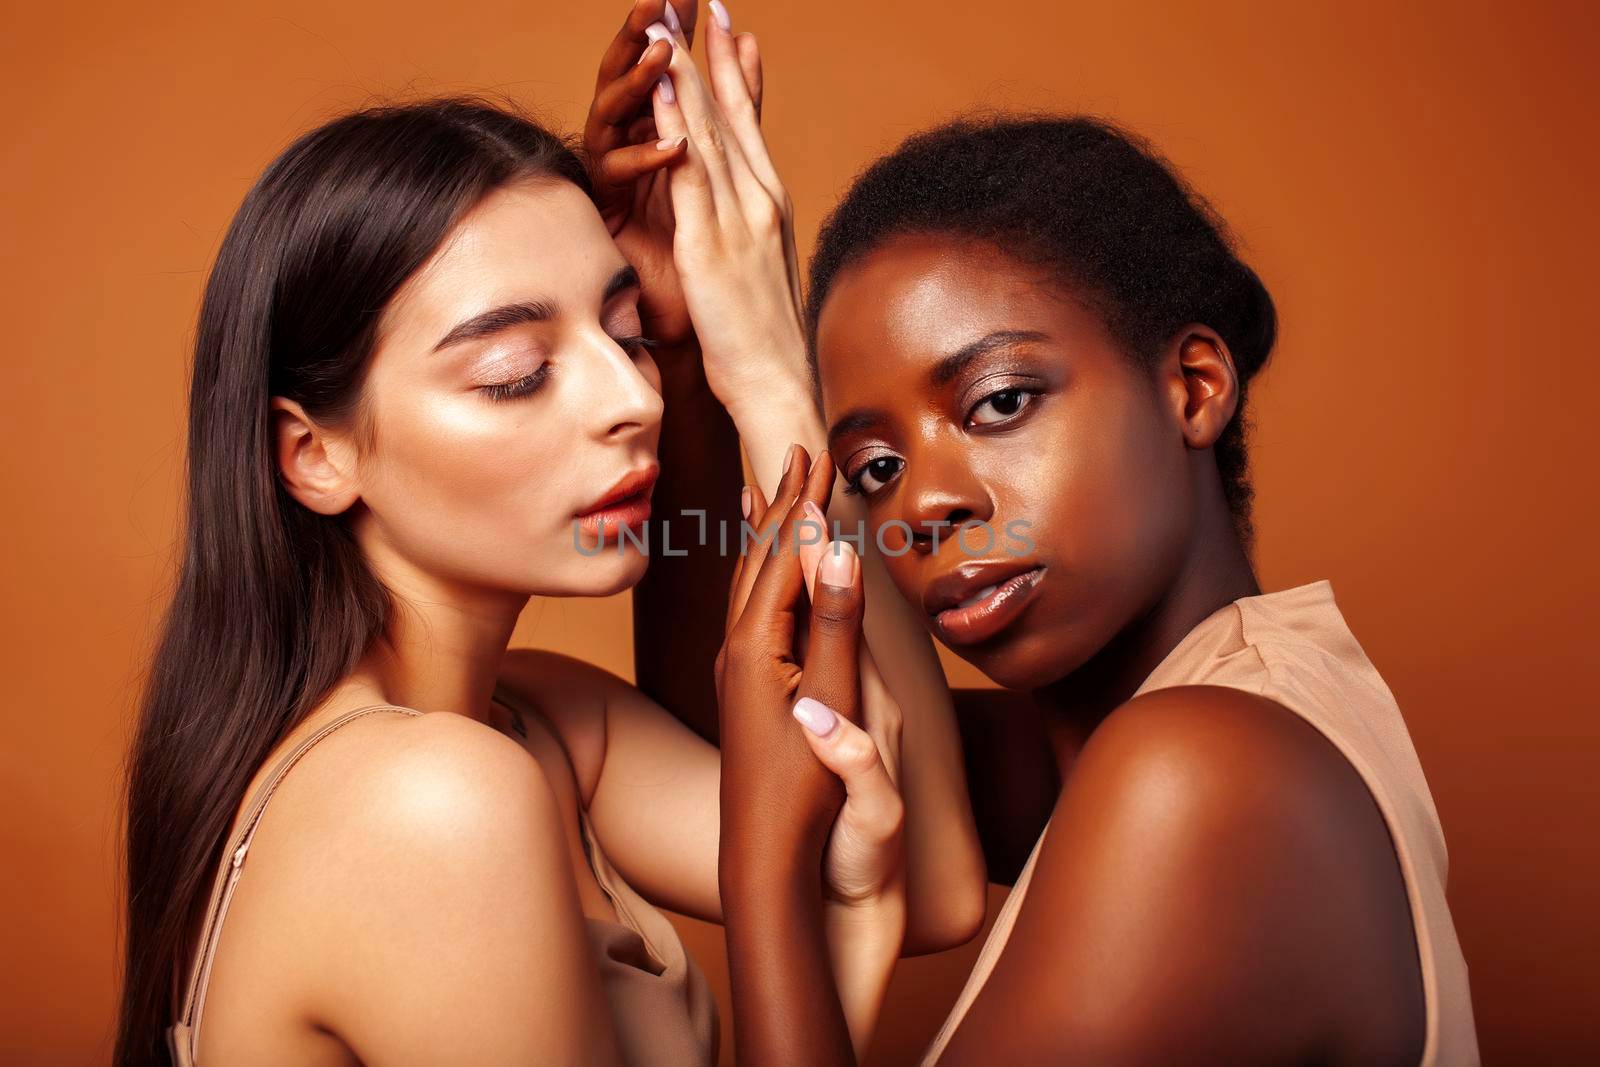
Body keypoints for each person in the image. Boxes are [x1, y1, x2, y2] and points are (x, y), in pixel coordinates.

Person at [114, 4, 988, 1064]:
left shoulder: (543, 727)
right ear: (313, 454)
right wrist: (791, 905)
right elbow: (848, 896)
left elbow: (933, 880)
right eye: (514, 374)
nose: (633, 397)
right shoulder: (426, 805)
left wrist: (752, 359)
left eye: (627, 335)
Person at [680, 47, 1481, 1065]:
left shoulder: (1199, 775)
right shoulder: (1186, 723)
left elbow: (766, 797)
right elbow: (740, 732)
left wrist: (765, 878)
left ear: (1192, 387)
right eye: (873, 466)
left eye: (1001, 402)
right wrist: (694, 351)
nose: (924, 502)